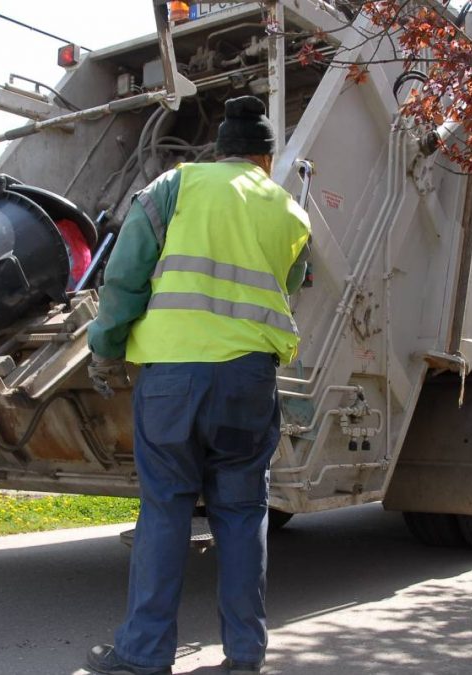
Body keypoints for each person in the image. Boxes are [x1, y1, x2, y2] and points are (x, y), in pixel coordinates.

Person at [84, 96, 311, 675]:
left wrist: (106, 347)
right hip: (249, 381)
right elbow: (297, 279)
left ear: (219, 150)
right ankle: (245, 655)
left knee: (165, 510)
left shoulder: (173, 186)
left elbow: (125, 275)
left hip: (173, 379)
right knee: (242, 513)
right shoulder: (288, 208)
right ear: (264, 157)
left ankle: (144, 654)